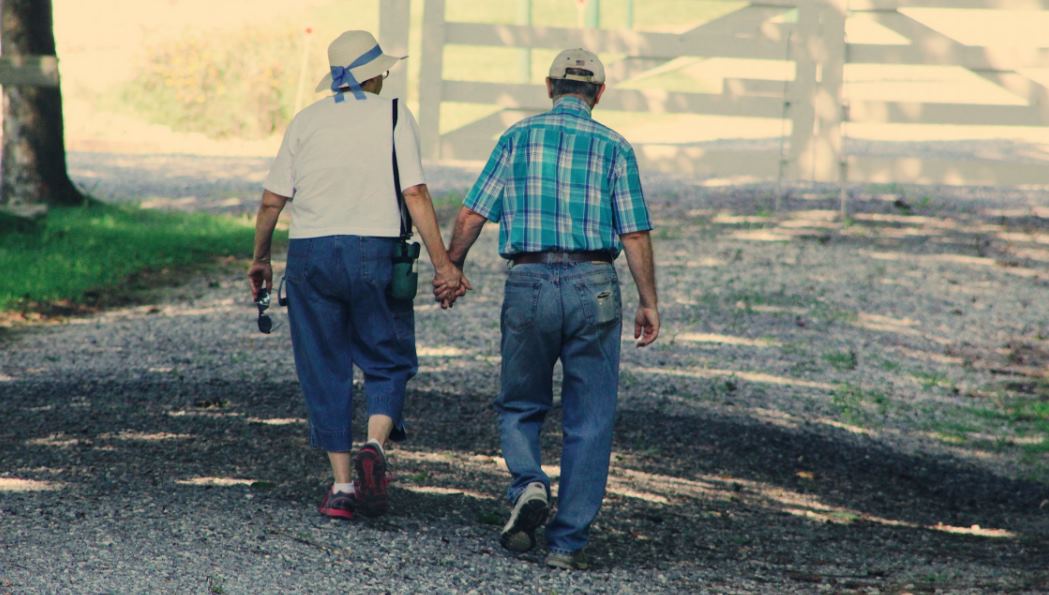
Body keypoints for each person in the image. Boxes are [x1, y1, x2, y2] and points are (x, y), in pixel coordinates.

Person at [445, 48, 660, 570]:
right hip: (595, 283)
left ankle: (528, 483)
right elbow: (633, 231)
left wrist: (451, 267)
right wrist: (649, 301)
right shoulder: (616, 147)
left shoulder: (516, 138)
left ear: (549, 87)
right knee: (592, 416)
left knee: (520, 402)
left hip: (530, 278)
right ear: (599, 94)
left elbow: (473, 213)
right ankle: (567, 544)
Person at [248, 30, 467, 521]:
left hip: (311, 255)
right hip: (376, 250)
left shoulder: (305, 121)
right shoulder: (392, 114)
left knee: (324, 366)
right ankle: (375, 443)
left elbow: (270, 201)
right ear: (372, 74)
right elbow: (414, 192)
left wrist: (260, 257)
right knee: (386, 357)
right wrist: (443, 265)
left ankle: (343, 485)